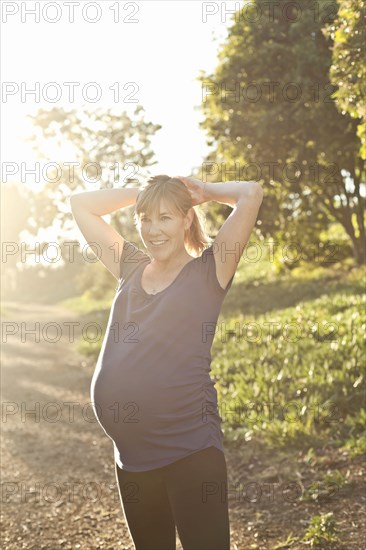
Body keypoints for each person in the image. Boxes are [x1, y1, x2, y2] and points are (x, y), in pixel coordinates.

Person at [70, 175, 263, 550]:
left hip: (189, 449)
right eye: (145, 219)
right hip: (132, 458)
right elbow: (82, 204)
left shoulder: (209, 272)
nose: (153, 230)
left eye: (165, 218)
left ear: (187, 219)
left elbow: (251, 193)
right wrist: (142, 192)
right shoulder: (129, 267)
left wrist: (203, 192)